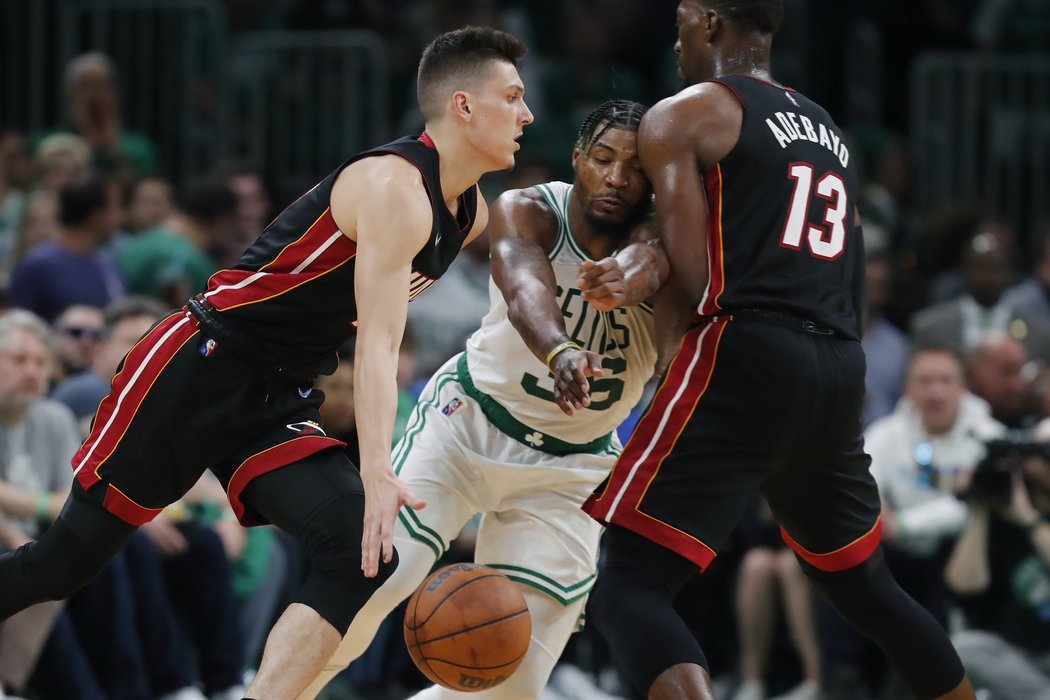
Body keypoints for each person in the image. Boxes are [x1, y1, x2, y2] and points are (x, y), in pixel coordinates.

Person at [0, 25, 533, 700]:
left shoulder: (469, 214)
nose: (527, 114)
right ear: (462, 105)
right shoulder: (394, 188)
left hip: (274, 391)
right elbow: (375, 346)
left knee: (362, 554)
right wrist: (377, 469)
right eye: (512, 97)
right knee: (60, 565)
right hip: (199, 362)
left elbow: (370, 315)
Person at [580, 3, 977, 699]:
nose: (673, 38)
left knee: (626, 583)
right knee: (865, 588)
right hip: (836, 360)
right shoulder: (829, 130)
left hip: (745, 350)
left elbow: (692, 272)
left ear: (707, 22)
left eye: (679, 20)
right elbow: (847, 275)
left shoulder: (684, 115)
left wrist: (669, 359)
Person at [301, 99, 668, 700]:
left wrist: (640, 268)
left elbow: (655, 261)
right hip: (468, 424)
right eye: (602, 158)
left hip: (570, 470)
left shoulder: (671, 246)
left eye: (636, 166)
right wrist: (560, 351)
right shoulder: (528, 208)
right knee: (371, 588)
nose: (617, 177)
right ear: (578, 158)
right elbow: (524, 286)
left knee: (507, 675)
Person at [944, 417, 1050, 700]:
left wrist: (1028, 519)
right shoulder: (1005, 512)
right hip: (1020, 657)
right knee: (962, 647)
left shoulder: (1022, 515)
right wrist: (980, 511)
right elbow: (964, 588)